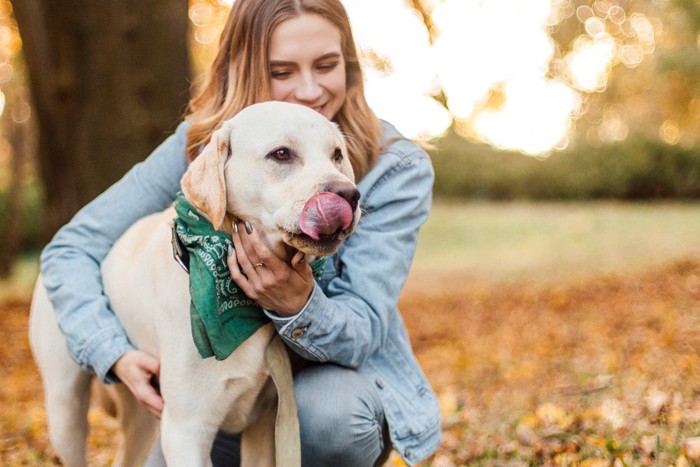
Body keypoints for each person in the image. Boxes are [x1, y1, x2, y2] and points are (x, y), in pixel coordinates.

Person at [40, 0, 441, 465]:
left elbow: (365, 326)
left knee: (332, 417)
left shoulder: (393, 168)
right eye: (282, 70)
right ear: (246, 67)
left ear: (349, 67)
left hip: (323, 384)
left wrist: (295, 303)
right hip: (209, 381)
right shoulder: (205, 144)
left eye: (327, 65)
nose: (309, 90)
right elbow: (70, 247)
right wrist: (112, 352)